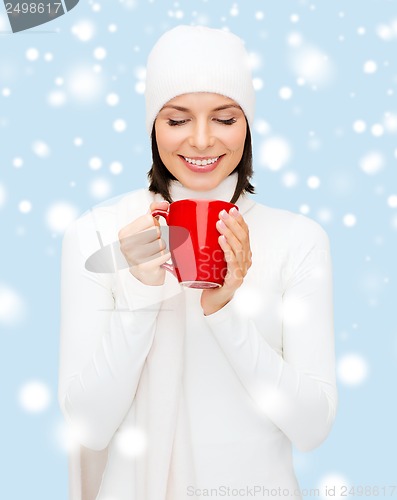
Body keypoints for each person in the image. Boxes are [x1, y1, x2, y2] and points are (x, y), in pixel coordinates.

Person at [58, 25, 337, 500]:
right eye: (177, 119)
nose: (202, 141)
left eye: (225, 119)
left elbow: (311, 427)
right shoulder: (100, 233)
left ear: (247, 125)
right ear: (152, 125)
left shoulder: (298, 240)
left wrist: (224, 310)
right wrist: (143, 294)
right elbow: (89, 425)